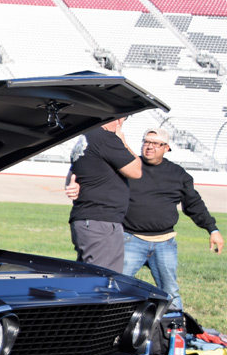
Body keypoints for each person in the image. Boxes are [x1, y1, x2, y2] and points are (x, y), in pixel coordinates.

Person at [121, 128, 222, 311]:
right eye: (146, 142)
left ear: (166, 148)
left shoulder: (178, 174)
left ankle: (175, 332)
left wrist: (212, 229)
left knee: (170, 292)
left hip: (164, 243)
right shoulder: (129, 167)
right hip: (130, 239)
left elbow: (194, 205)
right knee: (117, 288)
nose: (149, 147)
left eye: (155, 143)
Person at [67, 117, 142, 272]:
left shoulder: (86, 138)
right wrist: (122, 141)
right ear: (119, 120)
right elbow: (135, 171)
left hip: (87, 220)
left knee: (86, 275)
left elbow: (72, 174)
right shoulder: (105, 138)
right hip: (101, 221)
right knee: (102, 280)